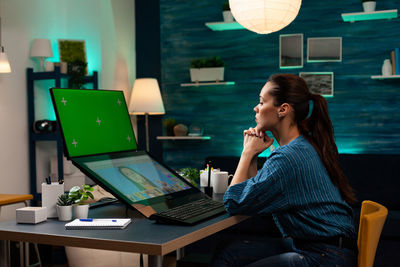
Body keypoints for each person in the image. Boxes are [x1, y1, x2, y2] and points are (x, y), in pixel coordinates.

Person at [211, 74, 358, 267]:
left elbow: (233, 202)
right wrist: (254, 155)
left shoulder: (288, 157)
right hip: (327, 249)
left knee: (230, 257)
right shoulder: (303, 145)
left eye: (262, 102)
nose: (256, 108)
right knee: (229, 251)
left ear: (283, 109)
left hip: (324, 257)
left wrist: (246, 153)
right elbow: (254, 197)